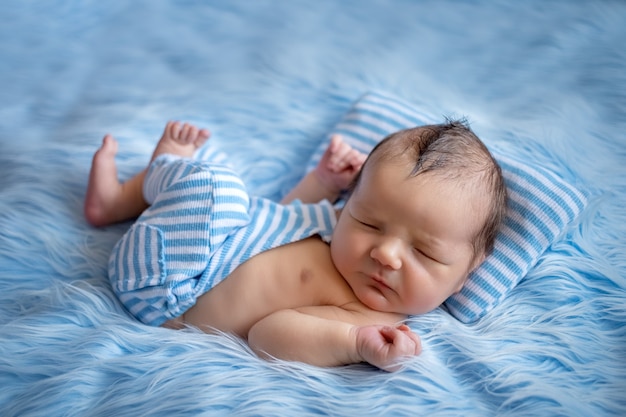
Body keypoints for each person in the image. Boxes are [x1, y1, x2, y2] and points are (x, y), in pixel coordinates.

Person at [85, 119, 507, 371]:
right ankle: (133, 194)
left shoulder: (368, 315)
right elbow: (278, 218)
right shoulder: (337, 222)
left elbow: (269, 336)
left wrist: (355, 344)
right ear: (351, 205)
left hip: (171, 291)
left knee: (218, 188)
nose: (386, 253)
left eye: (424, 252)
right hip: (202, 249)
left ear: (464, 276)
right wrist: (323, 183)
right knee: (229, 191)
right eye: (369, 222)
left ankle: (141, 188)